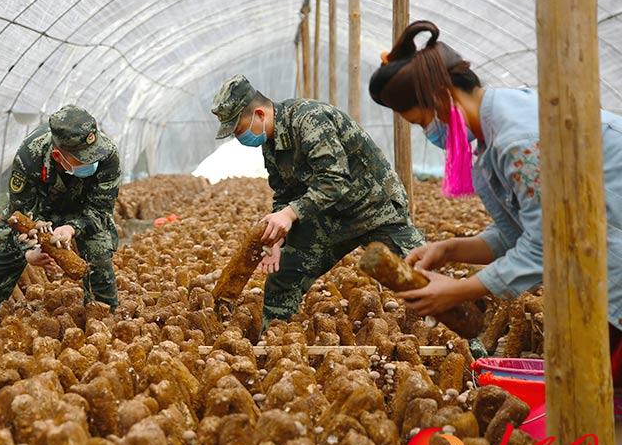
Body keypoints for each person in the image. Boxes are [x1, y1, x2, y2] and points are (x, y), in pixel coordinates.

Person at [368, 21, 622, 347]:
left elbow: (551, 243)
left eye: (421, 122)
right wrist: (449, 249)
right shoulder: (497, 126)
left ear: (442, 96)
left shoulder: (518, 140)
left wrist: (460, 289)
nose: (428, 132)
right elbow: (526, 229)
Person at [211, 75, 423, 326]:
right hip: (328, 217)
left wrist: (289, 215)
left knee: (421, 275)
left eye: (238, 129)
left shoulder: (309, 119)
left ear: (259, 114)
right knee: (284, 276)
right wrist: (279, 236)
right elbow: (284, 193)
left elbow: (335, 180)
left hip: (374, 209)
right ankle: (278, 342)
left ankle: (473, 348)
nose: (239, 136)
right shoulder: (270, 144)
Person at [0, 105, 121, 310]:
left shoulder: (106, 154)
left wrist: (71, 228)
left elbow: (100, 209)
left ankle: (103, 314)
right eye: (84, 158)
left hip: (83, 211)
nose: (93, 159)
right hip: (38, 212)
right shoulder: (30, 155)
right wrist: (30, 249)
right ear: (58, 156)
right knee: (3, 260)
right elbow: (20, 214)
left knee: (99, 256)